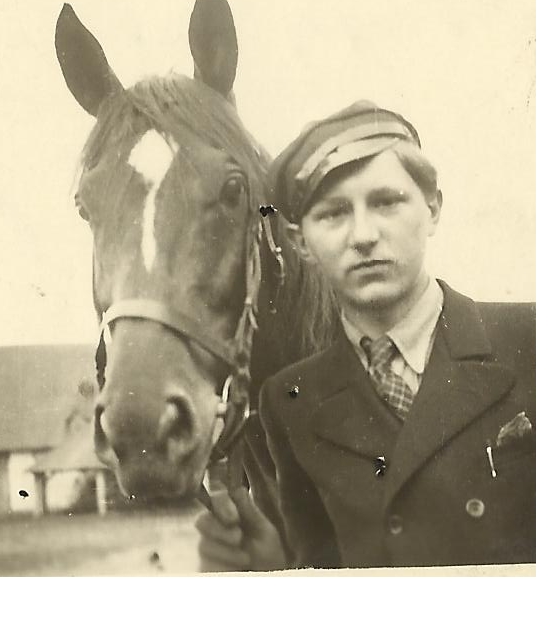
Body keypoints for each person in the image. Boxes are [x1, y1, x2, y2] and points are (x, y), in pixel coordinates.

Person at [197, 100, 535, 570]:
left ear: (433, 209)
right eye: (333, 214)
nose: (362, 235)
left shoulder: (534, 341)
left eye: (387, 202)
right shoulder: (289, 401)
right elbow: (319, 564)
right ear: (300, 244)